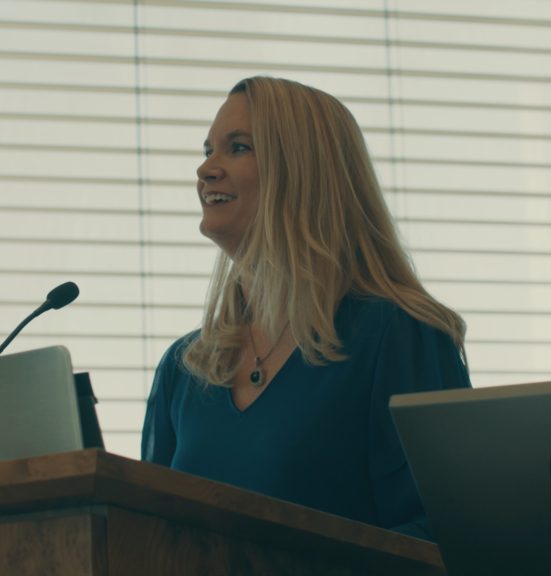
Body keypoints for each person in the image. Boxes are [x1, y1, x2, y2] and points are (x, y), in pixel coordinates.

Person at [140, 76, 471, 541]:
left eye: (237, 148)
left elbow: (446, 535)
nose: (206, 169)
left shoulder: (398, 334)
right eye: (207, 149)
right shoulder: (184, 368)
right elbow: (146, 542)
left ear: (301, 170)